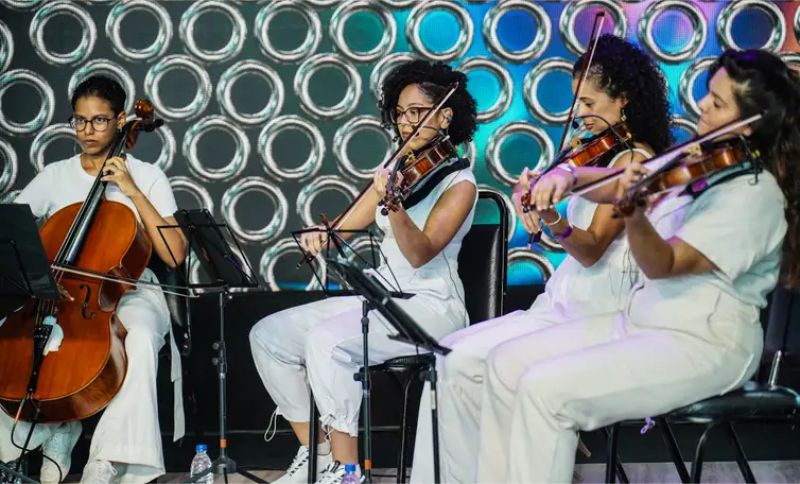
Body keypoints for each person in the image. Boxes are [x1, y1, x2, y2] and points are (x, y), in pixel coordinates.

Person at [481, 48, 800, 482]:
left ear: (753, 121)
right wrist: (567, 178)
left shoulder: (755, 194)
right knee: (504, 364)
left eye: (719, 103)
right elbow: (612, 182)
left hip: (704, 343)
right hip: (645, 321)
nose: (703, 105)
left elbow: (663, 263)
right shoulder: (697, 161)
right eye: (709, 95)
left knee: (545, 390)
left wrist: (634, 214)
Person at [410, 34, 672, 483]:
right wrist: (545, 211)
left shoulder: (633, 162)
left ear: (623, 101)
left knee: (486, 364)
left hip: (602, 314)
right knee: (450, 356)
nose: (580, 117)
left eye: (588, 102)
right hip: (561, 305)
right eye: (576, 103)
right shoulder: (598, 156)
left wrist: (553, 216)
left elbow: (589, 249)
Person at [248, 60, 479, 484]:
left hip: (430, 308)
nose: (405, 123)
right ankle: (314, 452)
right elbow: (350, 223)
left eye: (416, 112)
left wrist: (392, 205)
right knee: (269, 336)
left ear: (445, 115)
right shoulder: (405, 172)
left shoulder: (459, 183)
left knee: (328, 341)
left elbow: (420, 253)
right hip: (381, 296)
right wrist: (325, 233)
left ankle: (346, 470)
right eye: (399, 114)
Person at [0, 75, 187, 484]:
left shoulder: (147, 175)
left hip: (131, 289)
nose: (87, 131)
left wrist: (131, 189)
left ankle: (110, 461)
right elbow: (10, 229)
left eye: (100, 121)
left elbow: (174, 252)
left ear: (121, 121)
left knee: (137, 337)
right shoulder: (55, 174)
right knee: (14, 336)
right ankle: (46, 432)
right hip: (63, 289)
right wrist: (39, 277)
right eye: (80, 121)